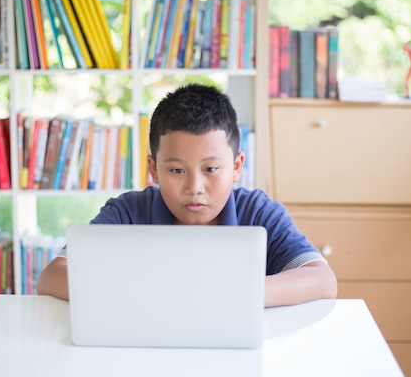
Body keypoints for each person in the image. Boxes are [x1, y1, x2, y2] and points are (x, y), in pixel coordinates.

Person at [37, 84, 337, 307]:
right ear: (153, 169)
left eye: (210, 168)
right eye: (177, 171)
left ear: (236, 167)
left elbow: (322, 280)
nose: (195, 187)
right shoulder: (127, 212)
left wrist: (229, 294)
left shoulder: (259, 213)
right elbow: (52, 276)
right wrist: (149, 293)